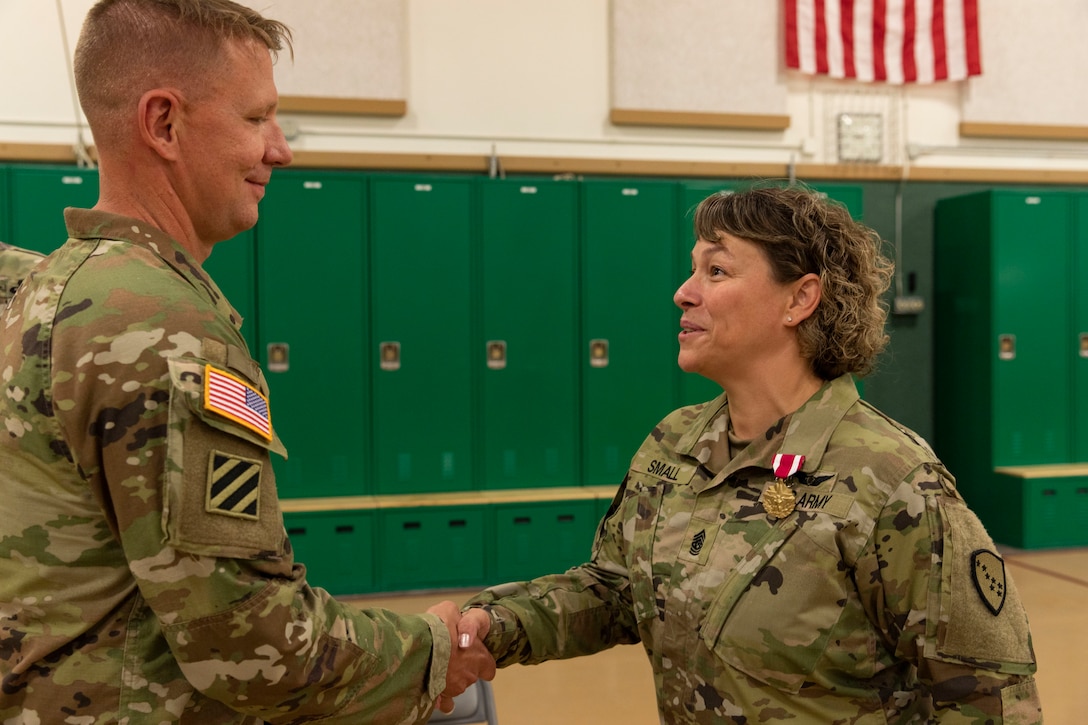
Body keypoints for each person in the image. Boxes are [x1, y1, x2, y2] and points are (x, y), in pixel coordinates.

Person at [0, 1, 493, 723]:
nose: (281, 149)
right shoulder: (159, 324)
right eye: (257, 118)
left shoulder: (45, 290)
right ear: (163, 123)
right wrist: (432, 649)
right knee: (467, 706)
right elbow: (258, 646)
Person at [457, 185, 1042, 723]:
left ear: (800, 299)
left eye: (716, 270)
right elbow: (615, 590)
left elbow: (990, 702)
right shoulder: (674, 442)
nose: (683, 292)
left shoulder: (891, 480)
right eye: (693, 271)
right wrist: (494, 622)